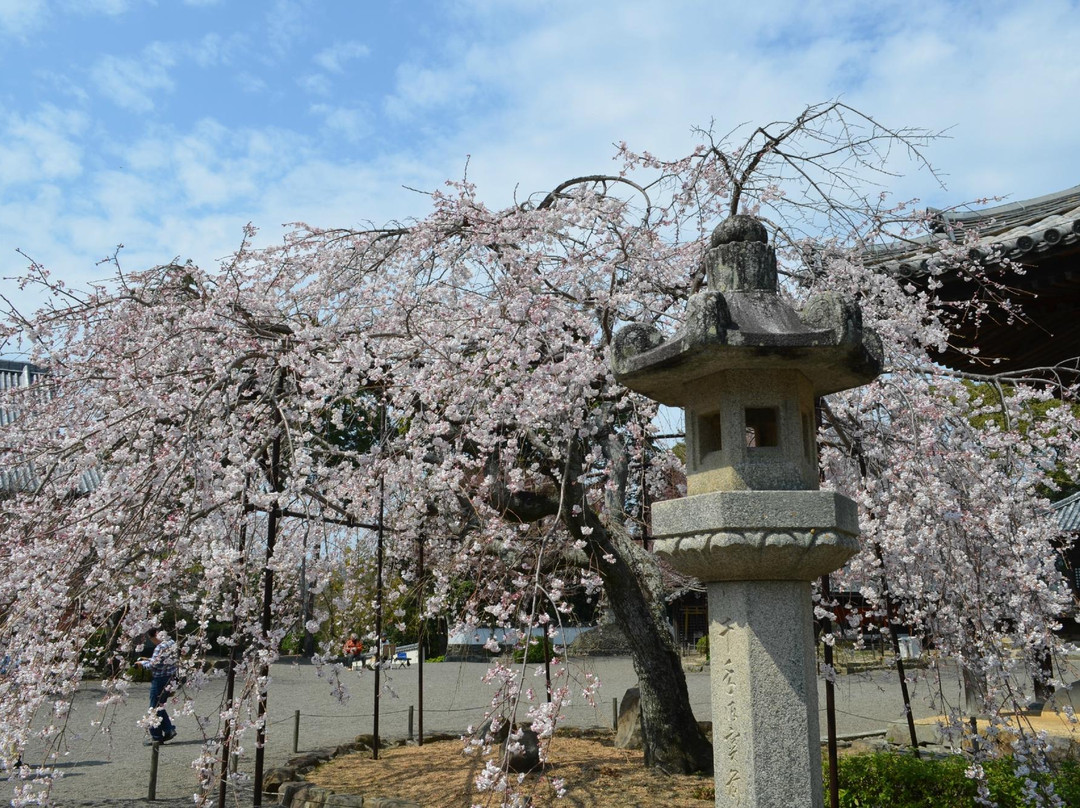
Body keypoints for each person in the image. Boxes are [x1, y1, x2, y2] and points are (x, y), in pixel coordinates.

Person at [137, 628, 178, 745]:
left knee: (154, 708)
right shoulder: (172, 643)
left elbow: (152, 665)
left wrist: (141, 663)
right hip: (170, 678)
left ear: (155, 635)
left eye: (151, 639)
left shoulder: (160, 647)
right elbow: (162, 660)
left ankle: (156, 737)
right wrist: (148, 659)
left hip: (159, 679)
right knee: (160, 705)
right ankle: (169, 730)